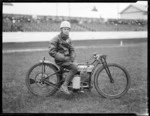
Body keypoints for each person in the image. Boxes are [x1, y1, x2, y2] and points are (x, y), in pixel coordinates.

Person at [49, 21, 78, 95]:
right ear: (61, 29)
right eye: (65, 29)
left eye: (68, 29)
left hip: (67, 59)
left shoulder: (68, 39)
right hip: (60, 60)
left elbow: (72, 49)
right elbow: (52, 51)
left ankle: (73, 85)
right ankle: (64, 86)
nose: (66, 30)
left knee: (78, 66)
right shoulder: (55, 39)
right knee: (74, 68)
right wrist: (63, 58)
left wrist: (72, 57)